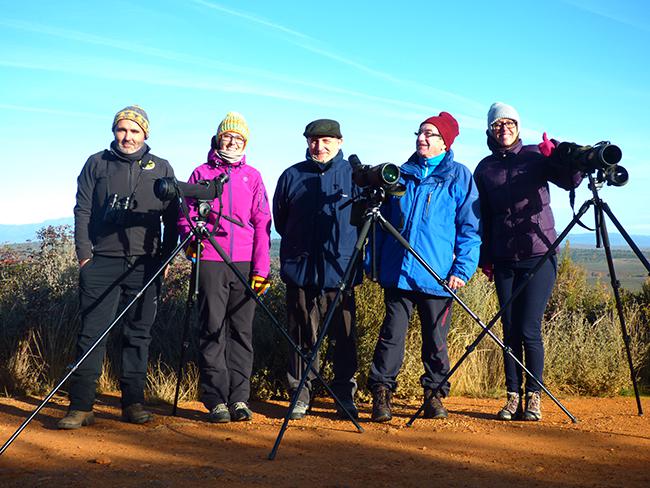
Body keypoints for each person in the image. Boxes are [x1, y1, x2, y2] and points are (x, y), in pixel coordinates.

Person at [59, 105, 178, 429]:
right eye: (122, 130)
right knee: (91, 335)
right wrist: (85, 256)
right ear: (114, 132)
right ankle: (81, 406)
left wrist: (165, 259)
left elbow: (173, 219)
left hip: (146, 263)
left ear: (145, 134)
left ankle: (133, 404)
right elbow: (82, 210)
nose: (127, 136)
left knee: (138, 335)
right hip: (102, 262)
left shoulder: (162, 167)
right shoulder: (96, 163)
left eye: (134, 131)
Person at [368, 112, 481, 422]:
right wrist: (373, 262)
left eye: (430, 134)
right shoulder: (400, 175)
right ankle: (381, 394)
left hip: (439, 276)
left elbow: (470, 229)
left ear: (445, 142)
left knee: (436, 341)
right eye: (419, 133)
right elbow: (380, 225)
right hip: (399, 272)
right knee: (391, 336)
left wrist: (462, 270)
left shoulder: (459, 177)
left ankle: (434, 395)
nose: (422, 138)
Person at [473, 102, 582, 421]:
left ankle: (534, 397)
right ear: (490, 130)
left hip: (539, 254)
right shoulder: (485, 169)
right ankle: (512, 398)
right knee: (509, 329)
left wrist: (559, 154)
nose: (504, 128)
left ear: (518, 127)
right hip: (504, 257)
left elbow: (571, 180)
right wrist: (485, 257)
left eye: (510, 123)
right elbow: (483, 217)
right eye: (498, 124)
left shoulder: (536, 155)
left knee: (529, 328)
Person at [177, 112, 271, 423]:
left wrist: (261, 268)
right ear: (218, 139)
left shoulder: (253, 176)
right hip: (210, 261)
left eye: (238, 138)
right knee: (211, 329)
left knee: (241, 332)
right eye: (227, 136)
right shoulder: (200, 172)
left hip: (244, 264)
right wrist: (191, 242)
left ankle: (240, 399)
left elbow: (262, 223)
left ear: (246, 143)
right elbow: (184, 213)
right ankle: (216, 399)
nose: (231, 142)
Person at [273, 119, 362, 420]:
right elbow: (281, 221)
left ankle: (344, 395)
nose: (319, 146)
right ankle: (300, 394)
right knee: (301, 337)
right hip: (300, 271)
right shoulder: (291, 176)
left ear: (340, 142)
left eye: (326, 141)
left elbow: (365, 223)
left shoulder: (354, 176)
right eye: (313, 140)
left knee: (344, 337)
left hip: (341, 272)